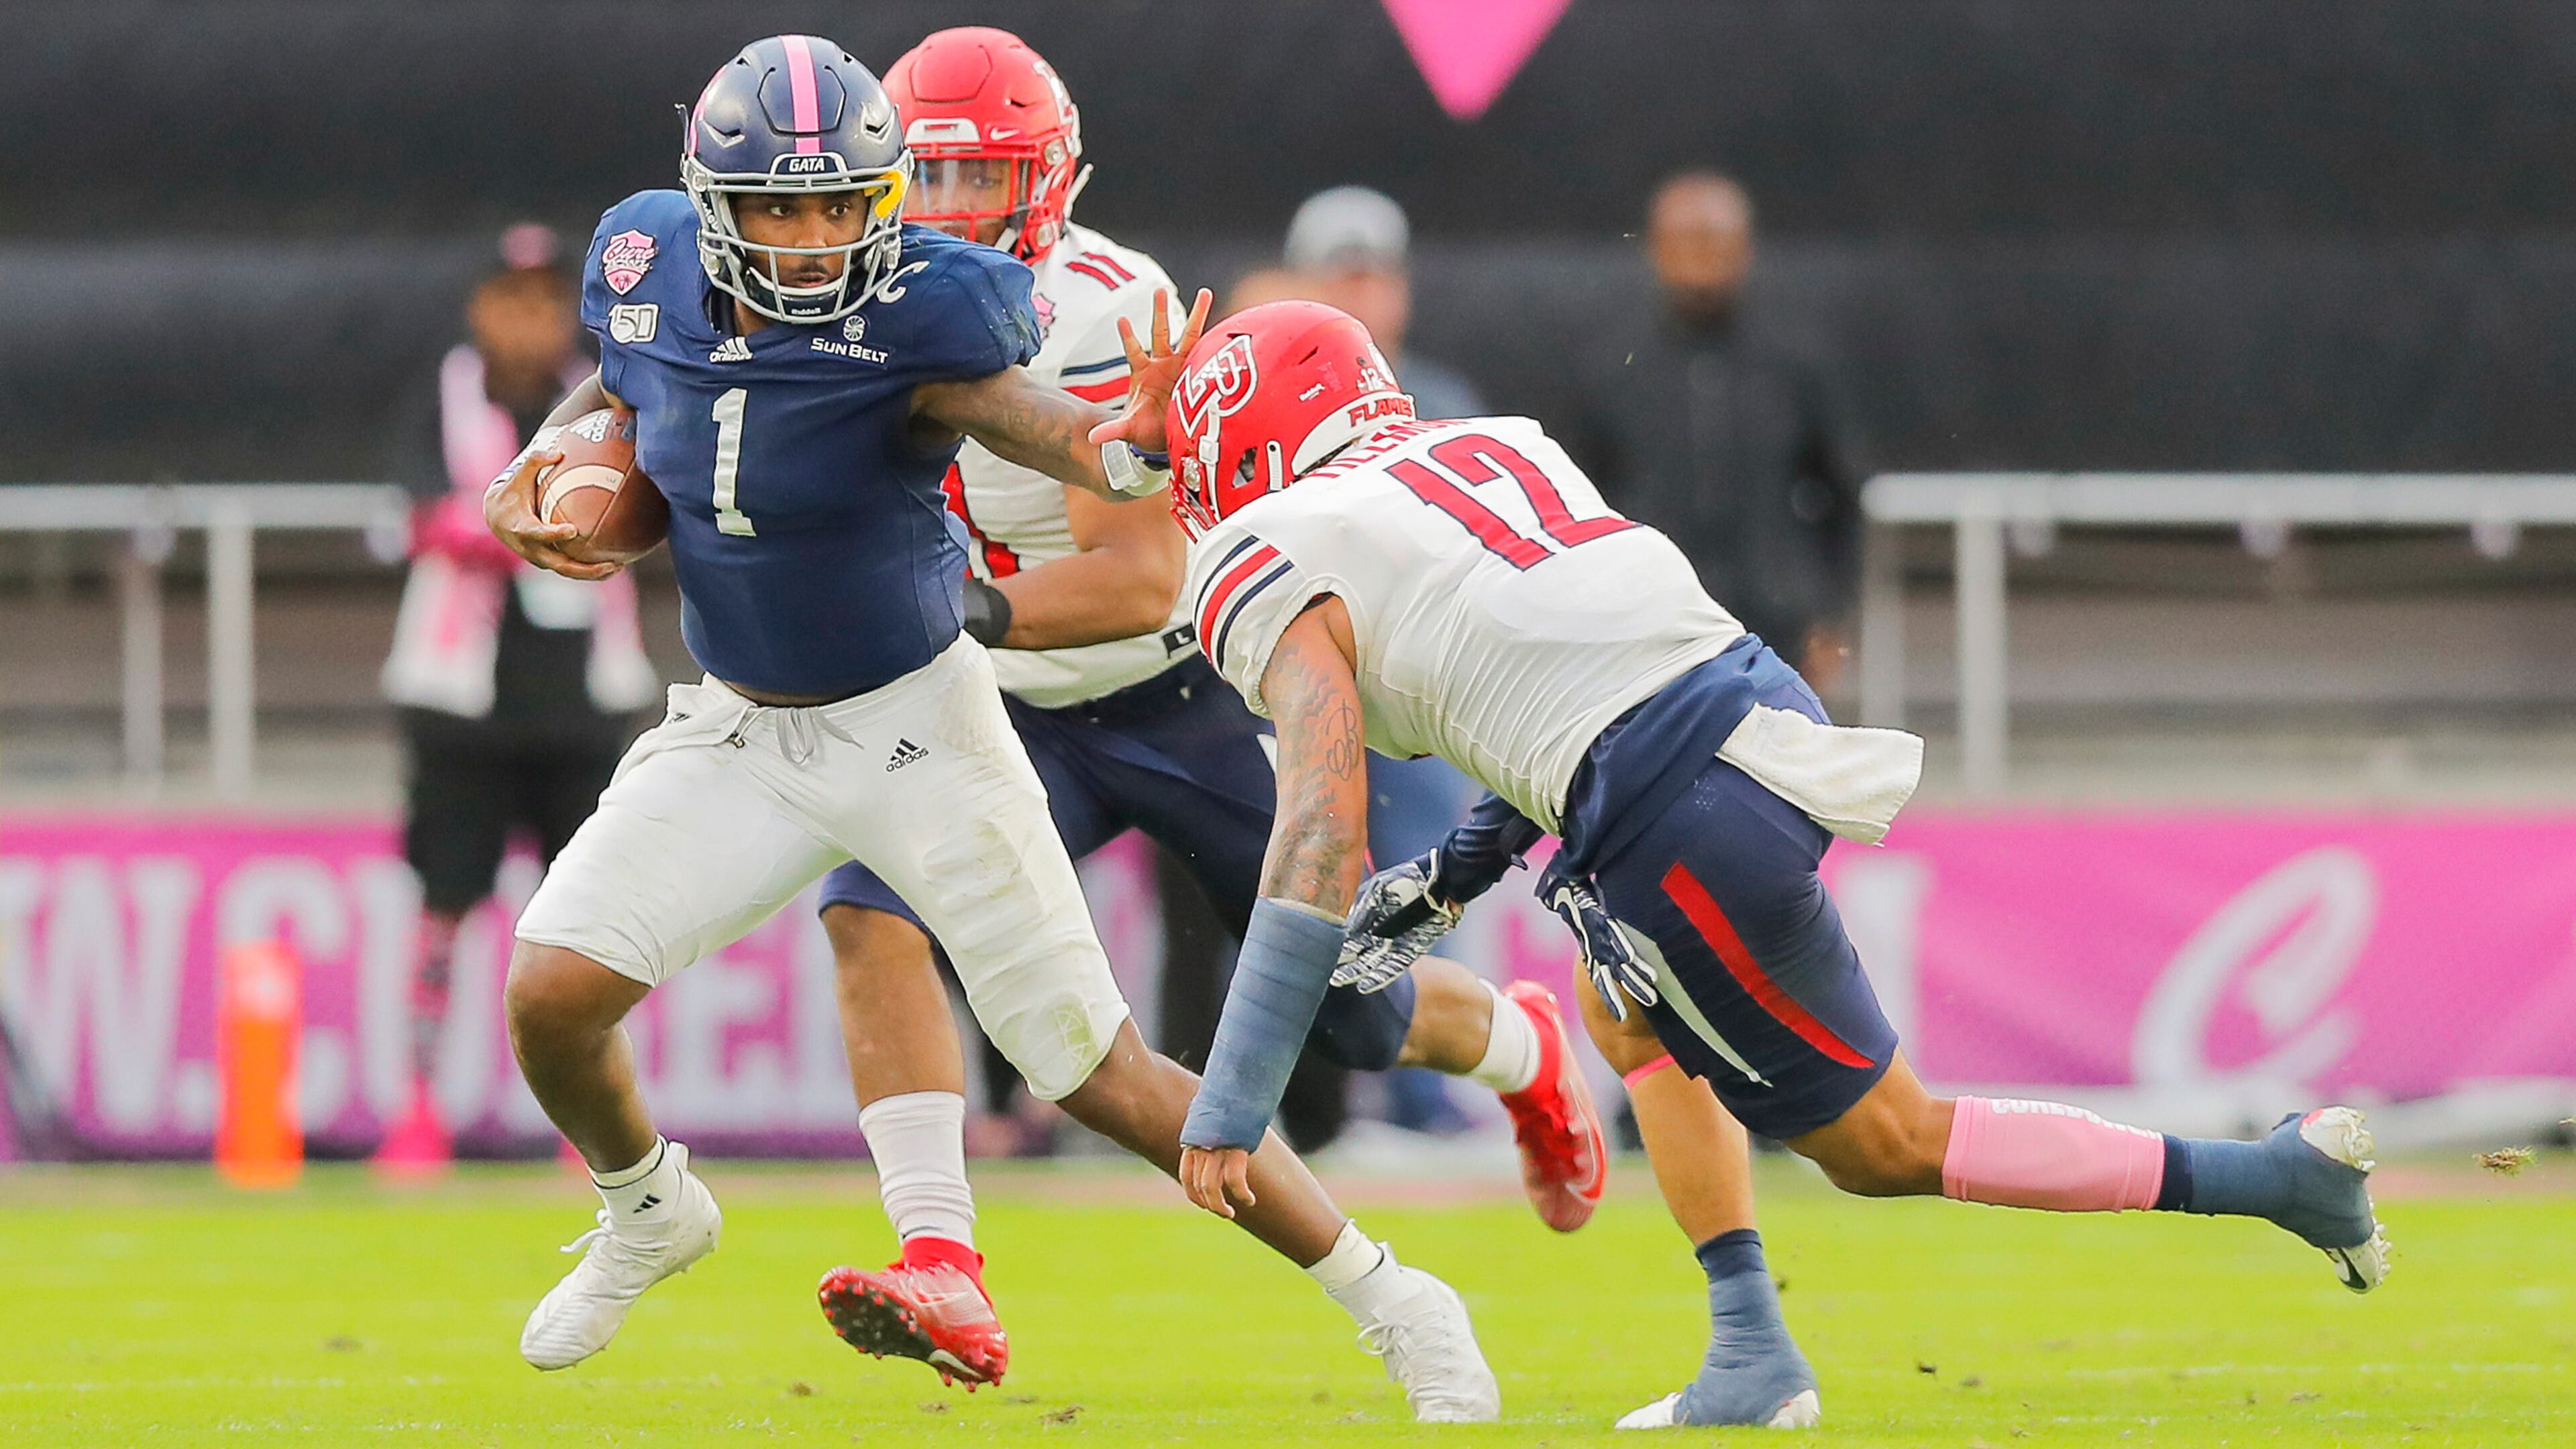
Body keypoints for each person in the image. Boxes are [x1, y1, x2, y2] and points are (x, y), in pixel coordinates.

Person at [480, 37, 1496, 1422]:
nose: (815, 235)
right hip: (738, 734)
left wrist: (1128, 436)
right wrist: (550, 466)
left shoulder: (918, 321)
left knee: (1102, 1075)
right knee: (549, 995)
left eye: (841, 203)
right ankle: (650, 1207)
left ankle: (1393, 1298)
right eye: (781, 207)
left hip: (918, 729)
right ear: (713, 208)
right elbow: (624, 380)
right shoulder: (648, 270)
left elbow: (1053, 436)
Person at [1160, 301, 2392, 1430]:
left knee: (1884, 1144)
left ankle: (2276, 1180)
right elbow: (1563, 689)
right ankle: (1749, 1348)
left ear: (1251, 446)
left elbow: (1320, 824)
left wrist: (1231, 1102)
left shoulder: (1271, 545)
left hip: (1673, 805)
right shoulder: (1491, 446)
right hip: (1734, 710)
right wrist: (1452, 878)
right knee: (1626, 1009)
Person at [812, 25, 1604, 1382]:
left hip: (1170, 687)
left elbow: (1133, 576)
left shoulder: (1102, 307)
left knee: (1348, 1006)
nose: (945, 214)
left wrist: (962, 608)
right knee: (868, 902)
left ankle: (1519, 1042)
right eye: (923, 180)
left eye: (977, 179)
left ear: (1049, 182)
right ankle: (939, 1256)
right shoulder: (846, 293)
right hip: (1000, 705)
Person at [376, 228, 658, 1172]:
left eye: (547, 302)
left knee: (583, 922)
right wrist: (526, 525)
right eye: (512, 300)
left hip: (582, 693)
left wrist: (501, 520)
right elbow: (421, 516)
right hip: (459, 697)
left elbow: (644, 510)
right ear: (480, 308)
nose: (530, 322)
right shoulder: (441, 396)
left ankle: (590, 1122)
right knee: (444, 905)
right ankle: (419, 1105)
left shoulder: (614, 395)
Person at [1561, 172, 1863, 690]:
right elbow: (1574, 504)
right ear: (1655, 248)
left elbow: (1841, 494)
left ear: (1746, 248)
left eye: (1715, 240)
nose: (1701, 256)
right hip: (1644, 633)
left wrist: (1830, 614)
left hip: (1774, 630)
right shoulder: (1612, 365)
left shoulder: (1793, 360)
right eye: (1685, 241)